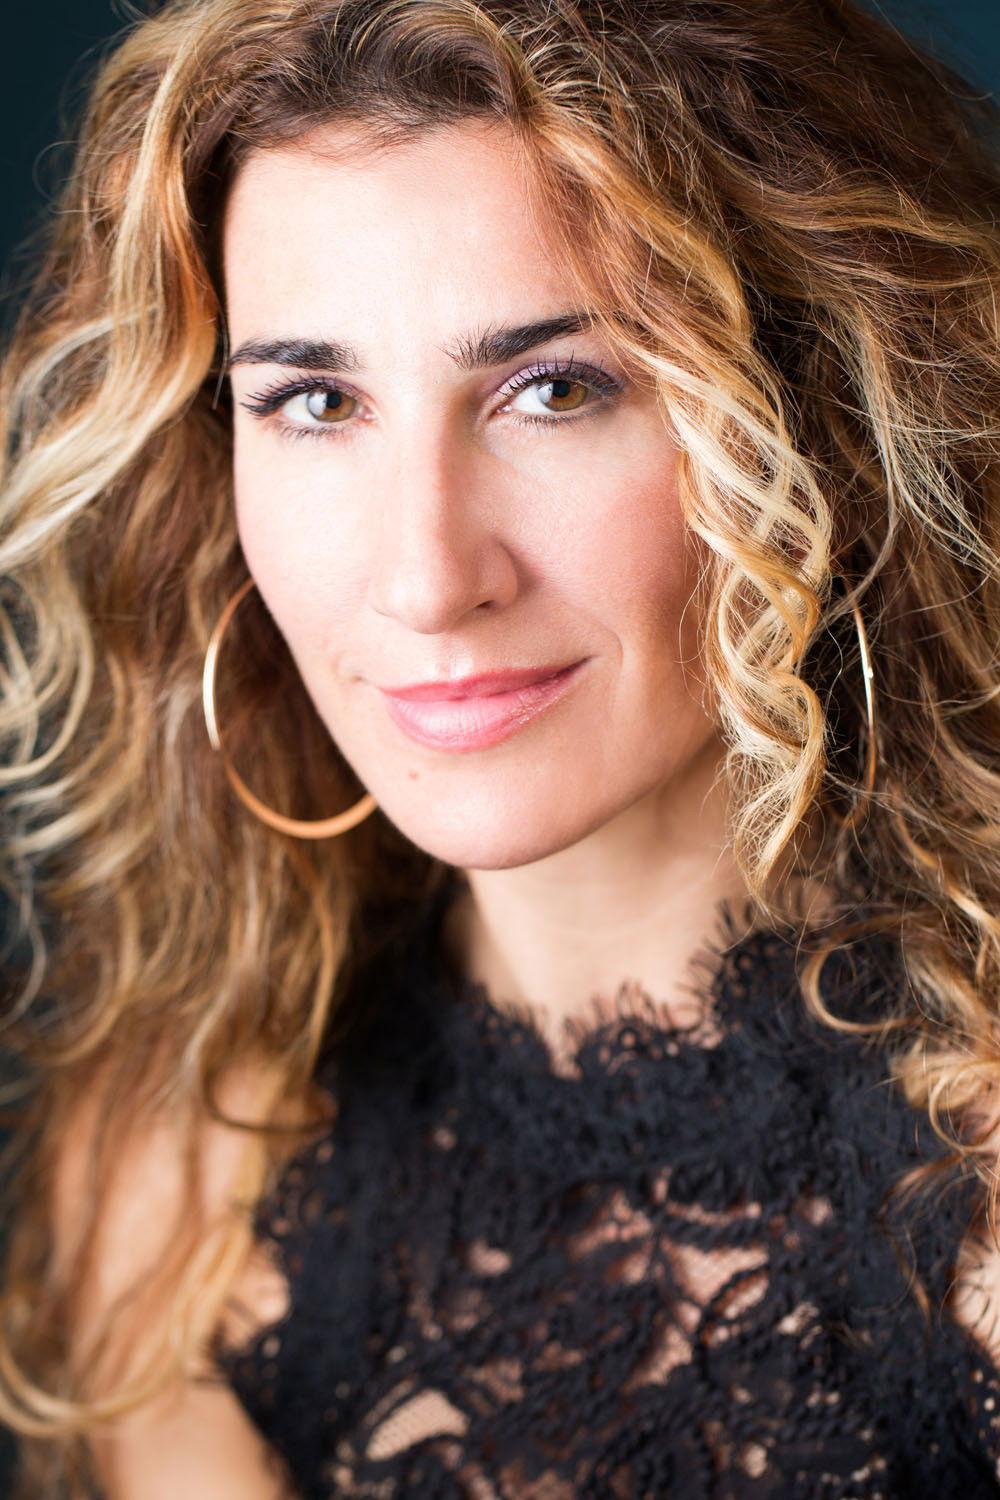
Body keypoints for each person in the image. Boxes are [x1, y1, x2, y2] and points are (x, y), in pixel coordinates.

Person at [2, 0, 1000, 1493]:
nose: (427, 578)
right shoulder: (184, 1189)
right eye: (315, 401)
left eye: (557, 390)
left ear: (817, 420)